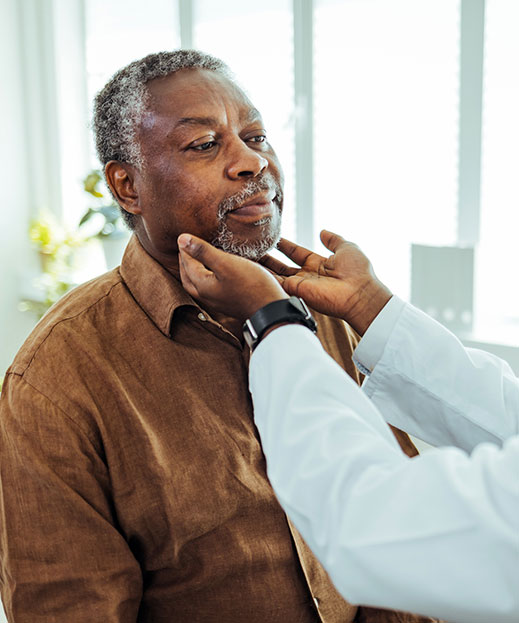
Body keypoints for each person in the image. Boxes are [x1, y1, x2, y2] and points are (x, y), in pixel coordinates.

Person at [0, 50, 432, 623]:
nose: (252, 161)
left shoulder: (328, 311)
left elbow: (400, 530)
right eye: (205, 144)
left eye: (256, 135)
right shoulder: (57, 381)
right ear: (127, 186)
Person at [175, 229, 519, 623]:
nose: (255, 163)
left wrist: (274, 321)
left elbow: (375, 525)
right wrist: (368, 305)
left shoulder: (324, 327)